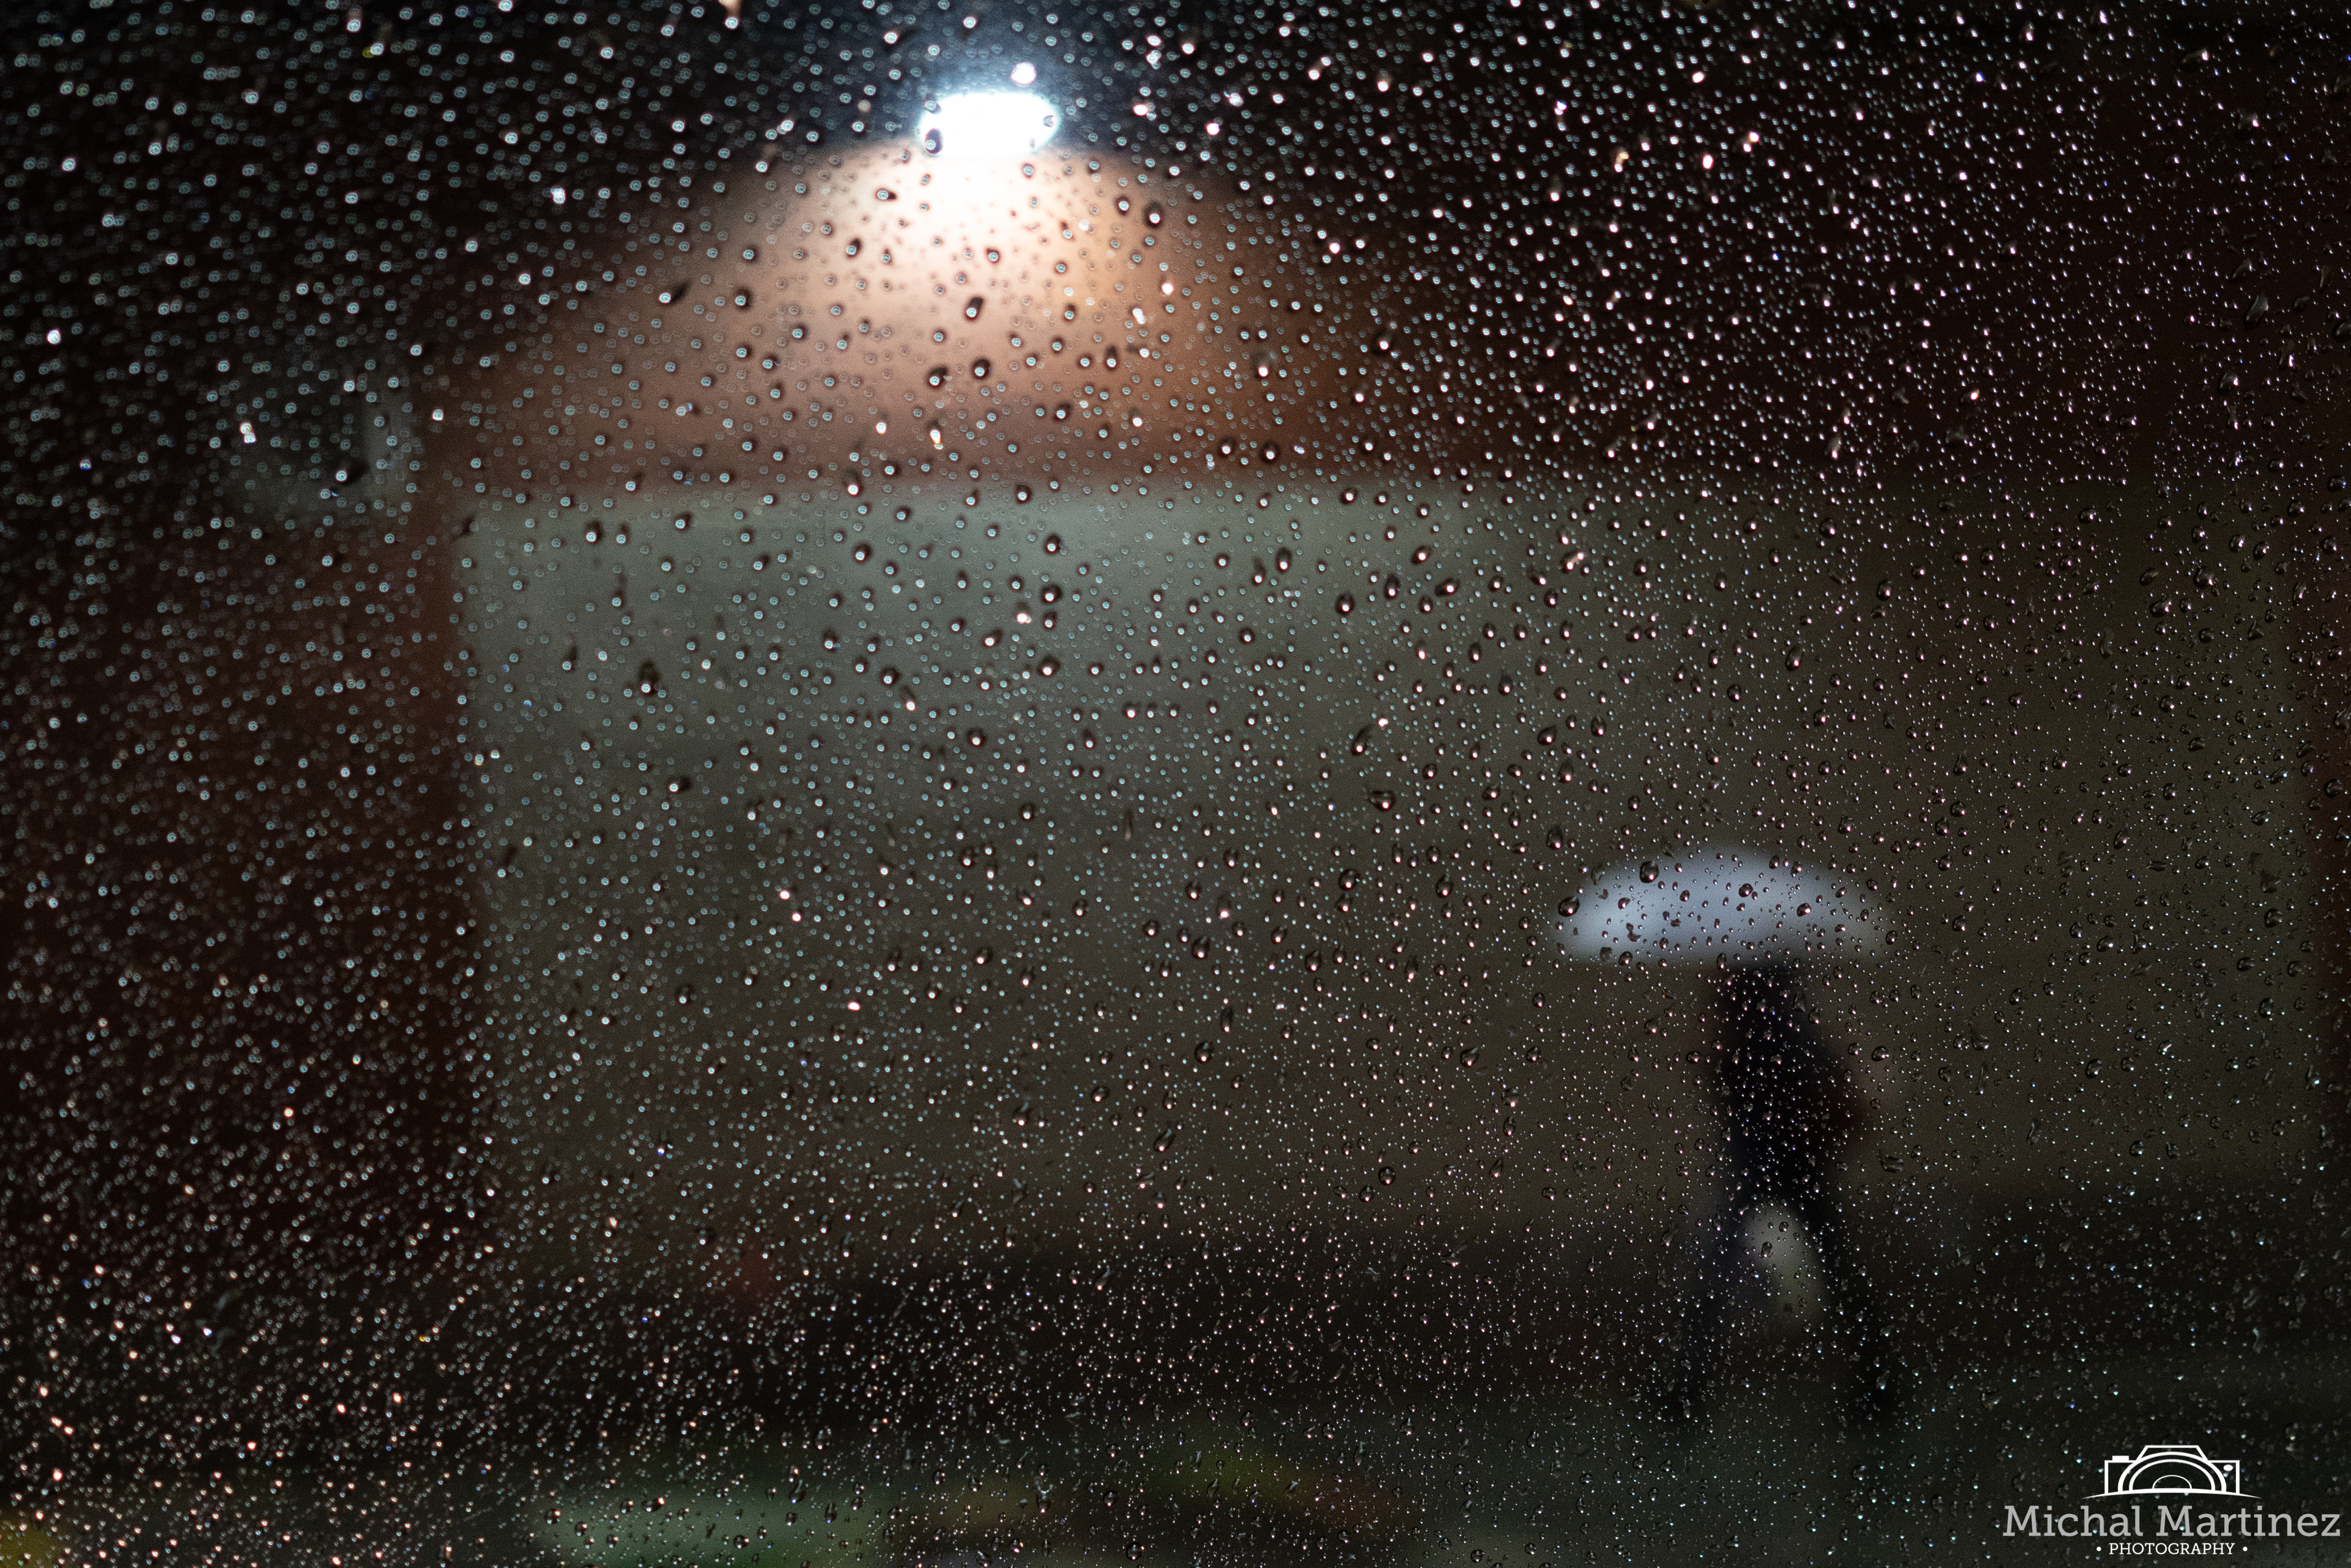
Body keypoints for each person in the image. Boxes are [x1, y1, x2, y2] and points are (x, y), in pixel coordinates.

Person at [1661, 960, 1899, 1427]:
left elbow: (1734, 1098)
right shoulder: (1795, 1031)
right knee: (1836, 1271)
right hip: (1795, 1170)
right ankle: (1878, 1379)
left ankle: (1684, 1389)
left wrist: (1716, 1048)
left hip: (1764, 1169)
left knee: (1714, 1277)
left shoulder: (1759, 1035)